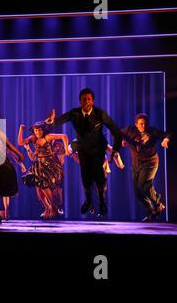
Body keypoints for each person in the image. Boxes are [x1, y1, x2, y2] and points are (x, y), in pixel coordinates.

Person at [45, 88, 122, 217]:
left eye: (89, 99)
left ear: (92, 101)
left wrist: (116, 149)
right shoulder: (74, 113)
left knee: (99, 174)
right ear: (80, 101)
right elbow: (59, 121)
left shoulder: (100, 114)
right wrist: (51, 121)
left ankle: (102, 201)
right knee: (85, 176)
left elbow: (116, 130)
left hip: (98, 148)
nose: (86, 102)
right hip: (83, 148)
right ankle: (88, 200)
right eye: (84, 99)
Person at [121, 113, 171, 221]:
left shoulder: (152, 131)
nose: (143, 126)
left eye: (145, 124)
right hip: (136, 165)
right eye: (141, 124)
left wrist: (166, 140)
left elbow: (167, 134)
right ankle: (151, 210)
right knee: (137, 192)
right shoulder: (130, 130)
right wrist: (121, 140)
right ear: (136, 124)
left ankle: (158, 203)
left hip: (150, 163)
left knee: (143, 184)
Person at [18, 121, 69, 219]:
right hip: (39, 164)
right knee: (39, 191)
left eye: (39, 130)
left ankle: (53, 208)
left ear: (43, 130)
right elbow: (21, 143)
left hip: (50, 164)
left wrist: (66, 149)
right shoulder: (33, 138)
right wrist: (21, 129)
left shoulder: (48, 137)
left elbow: (64, 136)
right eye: (35, 130)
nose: (37, 132)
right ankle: (47, 208)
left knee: (44, 186)